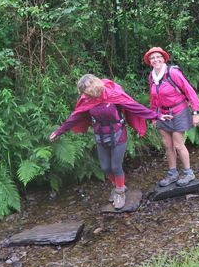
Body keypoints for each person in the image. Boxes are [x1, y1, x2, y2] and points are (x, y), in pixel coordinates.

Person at [49, 74, 164, 210]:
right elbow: (75, 117)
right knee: (105, 167)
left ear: (93, 86)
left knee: (116, 166)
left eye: (86, 90)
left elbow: (135, 107)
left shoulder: (113, 94)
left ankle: (120, 193)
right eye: (83, 92)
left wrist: (157, 116)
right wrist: (58, 131)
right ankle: (119, 186)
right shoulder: (87, 100)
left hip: (118, 134)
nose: (85, 94)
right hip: (100, 136)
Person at [145, 47, 199, 187]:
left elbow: (189, 91)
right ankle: (173, 174)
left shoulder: (173, 73)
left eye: (158, 57)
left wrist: (196, 112)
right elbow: (153, 99)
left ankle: (188, 173)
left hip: (178, 112)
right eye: (152, 58)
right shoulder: (152, 76)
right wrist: (153, 116)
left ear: (164, 58)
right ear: (149, 62)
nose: (156, 59)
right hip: (162, 115)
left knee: (178, 144)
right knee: (167, 145)